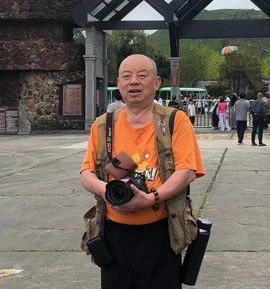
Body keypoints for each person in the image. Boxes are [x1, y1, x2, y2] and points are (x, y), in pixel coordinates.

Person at [80, 54, 204, 288]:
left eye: (142, 75)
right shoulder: (103, 124)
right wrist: (105, 190)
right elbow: (86, 172)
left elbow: (187, 170)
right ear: (119, 83)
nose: (134, 81)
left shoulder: (175, 121)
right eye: (127, 76)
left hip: (162, 232)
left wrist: (151, 198)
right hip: (113, 234)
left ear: (156, 83)